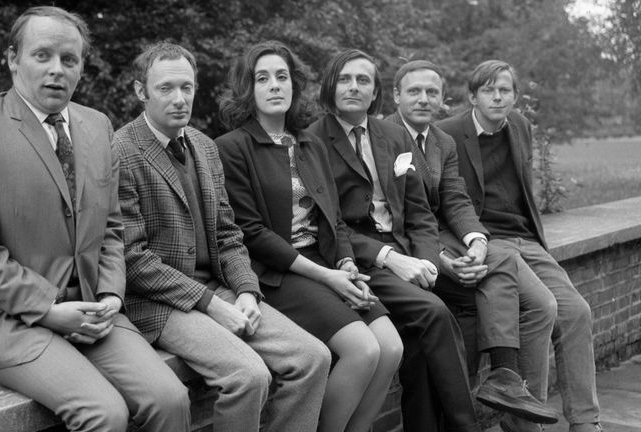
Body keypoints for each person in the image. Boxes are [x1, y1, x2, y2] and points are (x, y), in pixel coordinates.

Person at [0, 6, 190, 432]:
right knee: (105, 414)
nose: (57, 70)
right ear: (13, 58)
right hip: (7, 320)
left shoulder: (97, 125)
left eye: (69, 60)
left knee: (171, 400)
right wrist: (49, 309)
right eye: (42, 56)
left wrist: (111, 295)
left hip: (94, 311)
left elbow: (112, 227)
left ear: (81, 66)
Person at [114, 42, 331, 432]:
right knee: (248, 376)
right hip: (158, 302)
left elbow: (229, 234)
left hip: (220, 287)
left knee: (312, 357)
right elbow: (132, 259)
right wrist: (212, 304)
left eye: (187, 87)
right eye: (166, 88)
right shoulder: (122, 151)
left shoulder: (204, 147)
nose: (180, 99)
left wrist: (247, 289)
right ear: (139, 91)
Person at [215, 41, 403, 432]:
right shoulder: (232, 148)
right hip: (276, 272)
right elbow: (251, 232)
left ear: (294, 86)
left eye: (282, 77)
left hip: (325, 264)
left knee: (391, 348)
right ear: (247, 88)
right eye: (262, 78)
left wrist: (346, 264)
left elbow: (333, 215)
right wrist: (328, 277)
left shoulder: (308, 142)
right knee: (363, 350)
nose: (274, 86)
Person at [307, 49, 478, 432]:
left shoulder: (393, 134)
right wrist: (391, 258)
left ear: (376, 92)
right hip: (356, 257)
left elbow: (419, 212)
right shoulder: (311, 141)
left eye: (363, 80)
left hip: (407, 254)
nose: (354, 87)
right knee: (434, 314)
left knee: (419, 343)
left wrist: (428, 262)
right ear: (331, 86)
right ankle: (468, 426)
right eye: (346, 79)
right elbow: (328, 225)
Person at [386, 60, 559, 425]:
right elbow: (395, 219)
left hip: (439, 235)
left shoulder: (441, 142)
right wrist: (442, 259)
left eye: (432, 92)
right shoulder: (381, 137)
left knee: (497, 261)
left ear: (443, 99)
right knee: (502, 265)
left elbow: (455, 200)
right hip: (401, 248)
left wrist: (477, 242)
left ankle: (503, 381)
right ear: (396, 95)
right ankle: (502, 375)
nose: (423, 99)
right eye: (414, 91)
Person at [436, 60, 602, 432]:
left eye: (505, 90)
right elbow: (443, 202)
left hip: (525, 239)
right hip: (486, 241)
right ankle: (525, 424)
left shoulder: (521, 127)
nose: (498, 97)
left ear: (514, 95)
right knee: (542, 307)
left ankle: (586, 422)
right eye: (489, 90)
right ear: (473, 96)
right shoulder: (447, 134)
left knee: (577, 312)